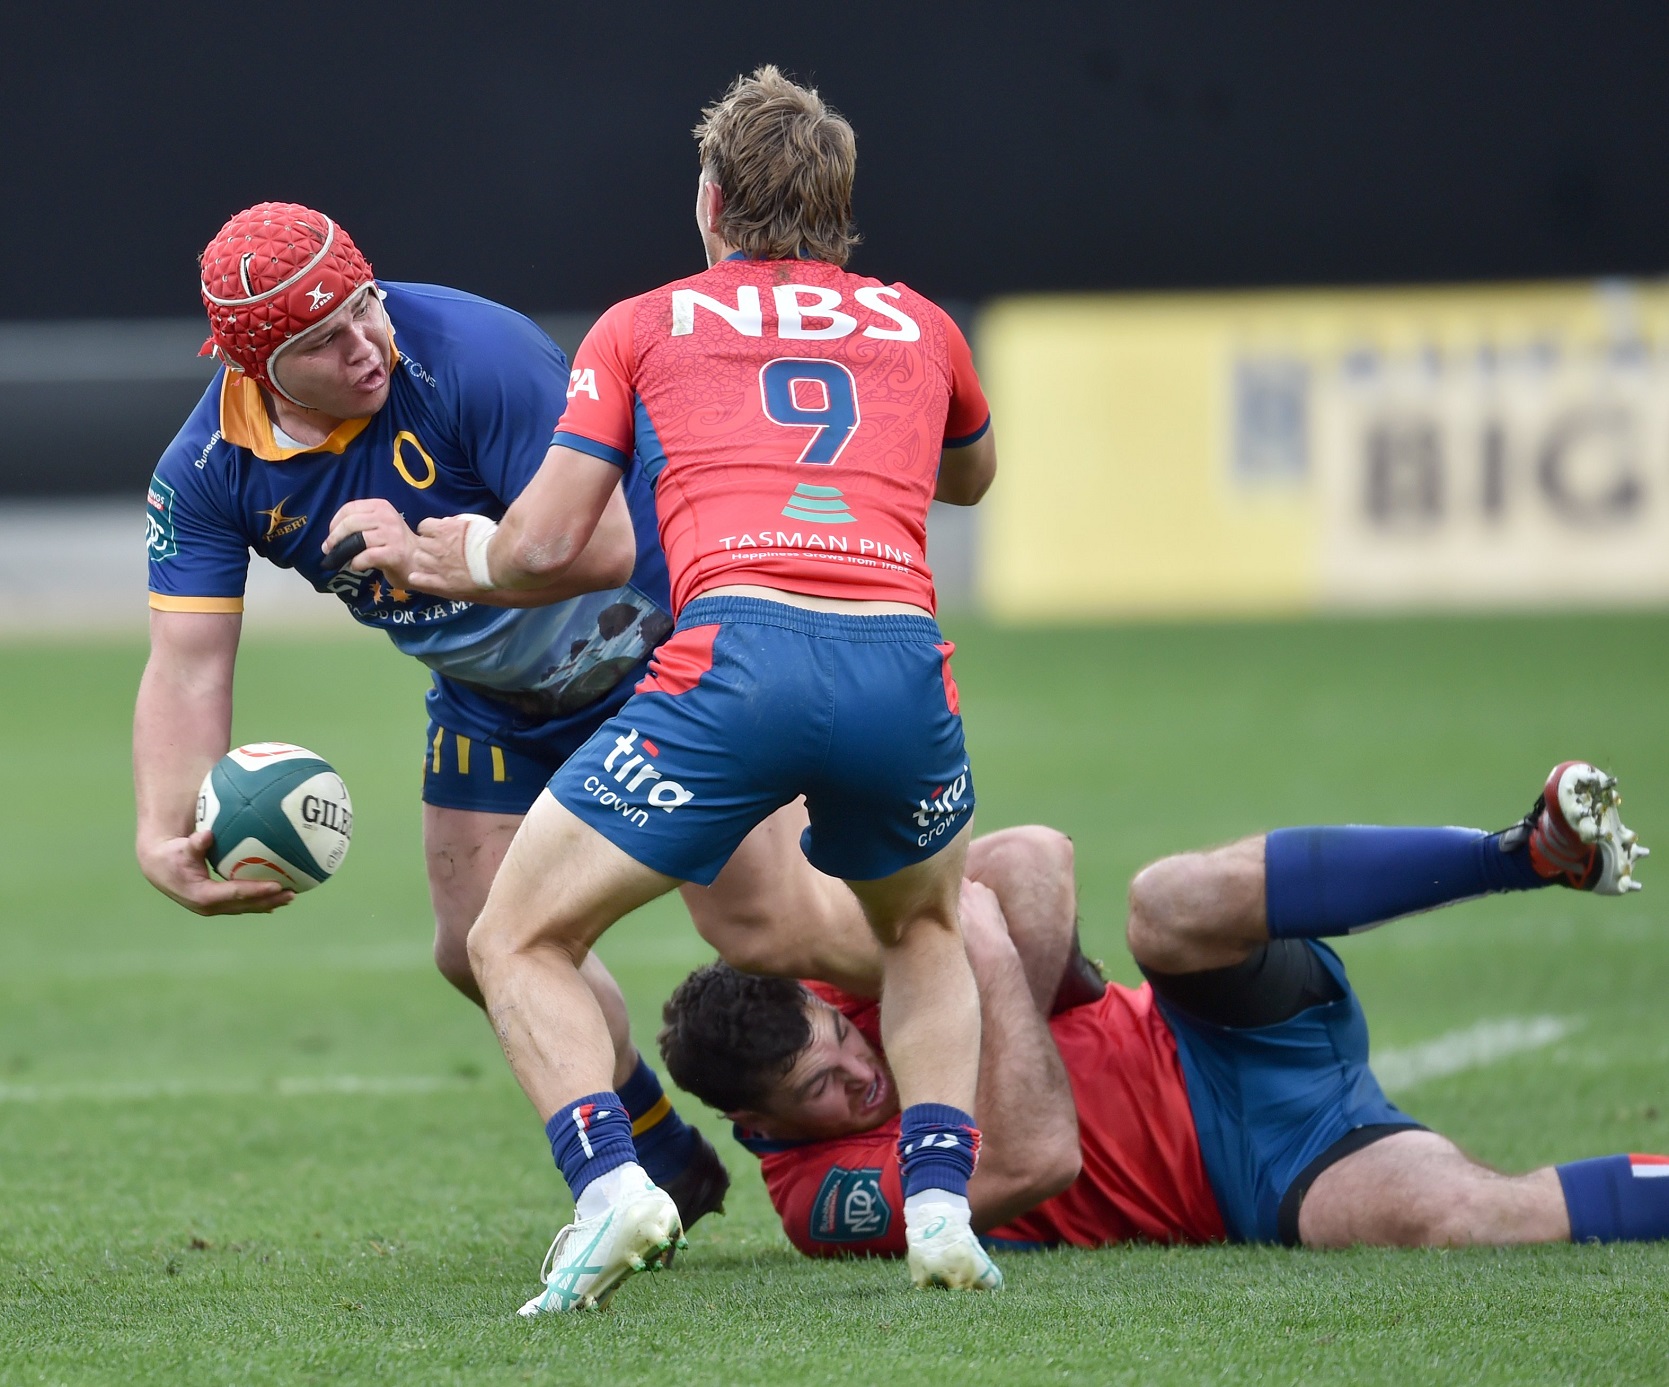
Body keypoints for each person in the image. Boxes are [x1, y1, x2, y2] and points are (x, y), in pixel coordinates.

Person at [406, 66, 1003, 1312]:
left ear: (709, 199)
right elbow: (970, 477)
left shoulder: (644, 324)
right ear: (843, 205)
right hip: (899, 658)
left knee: (513, 936)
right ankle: (940, 1202)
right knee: (925, 929)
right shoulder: (923, 325)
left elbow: (542, 545)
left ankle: (611, 1185)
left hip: (735, 661)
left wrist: (436, 553)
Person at [134, 201, 727, 1229]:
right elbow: (187, 666)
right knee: (474, 947)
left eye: (366, 308)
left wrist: (429, 553)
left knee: (768, 926)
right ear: (258, 368)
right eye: (324, 342)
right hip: (490, 700)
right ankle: (660, 1146)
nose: (366, 346)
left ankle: (932, 1028)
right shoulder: (207, 471)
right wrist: (159, 830)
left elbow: (612, 542)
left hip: (659, 648)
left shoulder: (471, 352)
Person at [660, 762, 1665, 1257]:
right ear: (761, 1125)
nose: (860, 1069)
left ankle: (1525, 855)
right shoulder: (822, 1198)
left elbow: (1036, 857)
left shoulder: (845, 979)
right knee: (1467, 1220)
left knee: (1166, 901)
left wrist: (1029, 971)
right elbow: (1034, 1158)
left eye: (838, 1034)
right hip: (1254, 1172)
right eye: (820, 1087)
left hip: (1216, 1025)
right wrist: (999, 962)